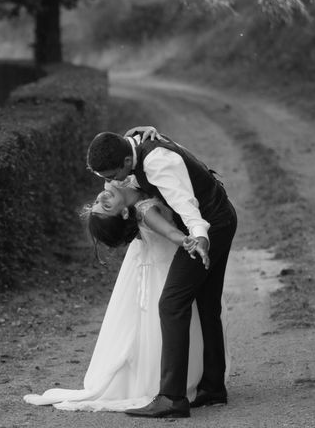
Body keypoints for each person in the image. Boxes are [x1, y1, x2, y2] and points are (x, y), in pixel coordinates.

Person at [23, 179, 226, 412]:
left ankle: (181, 381)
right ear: (125, 215)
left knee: (151, 328)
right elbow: (170, 232)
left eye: (98, 202)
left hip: (153, 273)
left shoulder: (133, 199)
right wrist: (187, 240)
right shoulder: (145, 210)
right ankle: (179, 381)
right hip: (165, 273)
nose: (101, 197)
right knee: (169, 324)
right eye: (105, 206)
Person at [86, 127, 238, 418]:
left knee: (171, 304)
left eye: (110, 176)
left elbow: (185, 204)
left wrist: (198, 237)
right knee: (206, 305)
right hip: (221, 218)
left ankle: (172, 398)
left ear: (126, 163)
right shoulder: (138, 144)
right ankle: (212, 388)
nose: (110, 183)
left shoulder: (155, 161)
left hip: (209, 227)